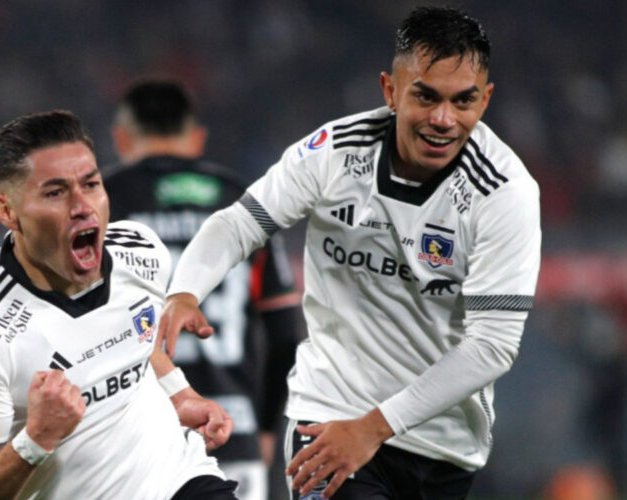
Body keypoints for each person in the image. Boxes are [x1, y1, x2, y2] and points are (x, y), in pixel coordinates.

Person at [158, 6, 541, 500]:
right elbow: (240, 222)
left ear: (485, 100)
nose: (443, 119)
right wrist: (185, 289)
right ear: (390, 90)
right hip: (330, 416)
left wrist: (375, 427)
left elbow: (492, 346)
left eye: (463, 101)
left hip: (441, 444)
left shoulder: (504, 192)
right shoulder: (335, 153)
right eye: (425, 96)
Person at [0, 109, 240, 499]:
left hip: (179, 480)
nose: (82, 206)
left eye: (90, 184)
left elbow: (134, 335)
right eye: (55, 192)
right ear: (7, 212)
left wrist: (180, 393)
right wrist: (36, 438)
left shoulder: (141, 252)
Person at [104, 78, 304, 500]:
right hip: (233, 426)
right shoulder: (242, 204)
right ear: (196, 138)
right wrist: (266, 429)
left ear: (121, 138)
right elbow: (287, 334)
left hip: (132, 435)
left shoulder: (100, 201)